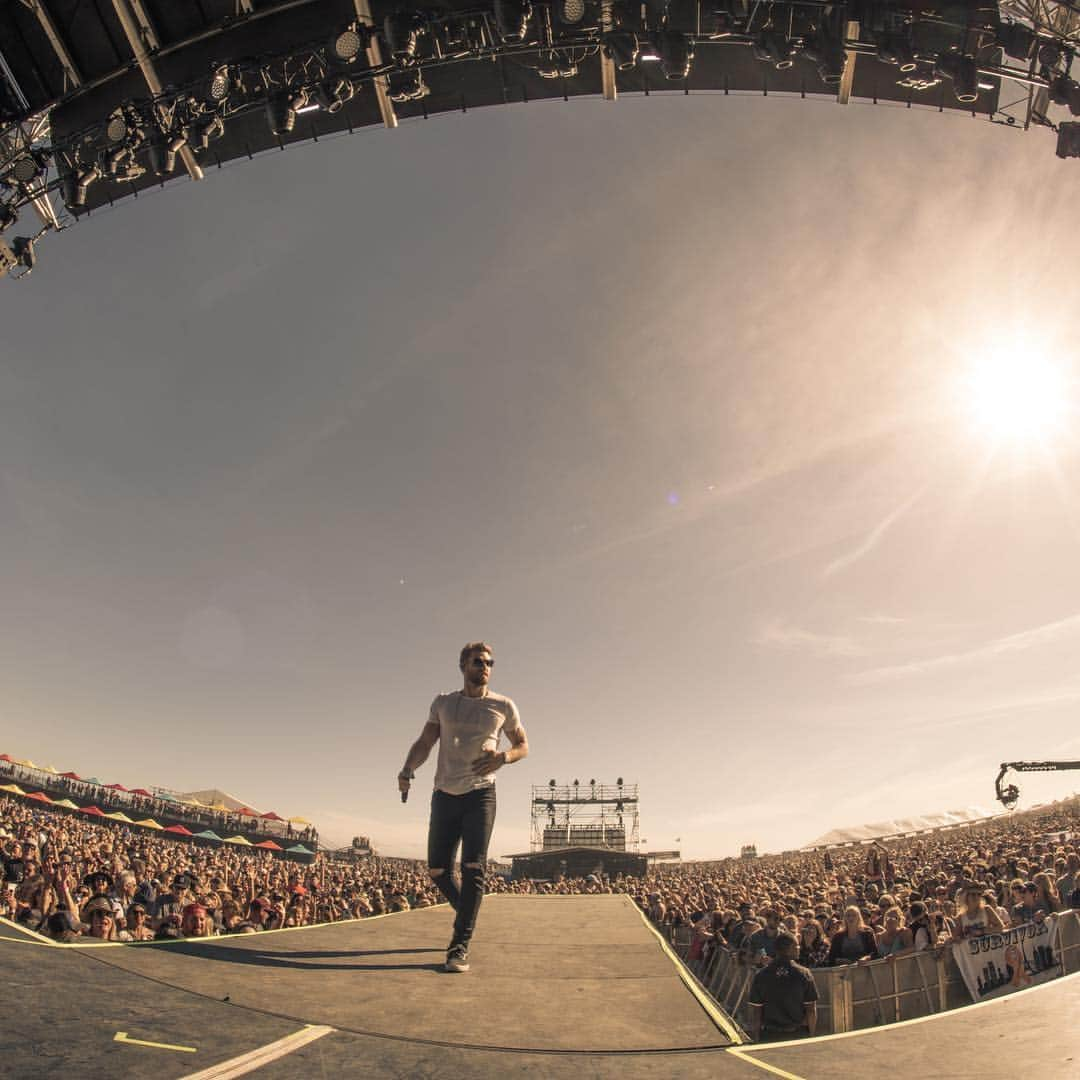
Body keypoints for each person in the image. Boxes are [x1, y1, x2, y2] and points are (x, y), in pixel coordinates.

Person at [398, 642, 529, 973]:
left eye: (490, 662)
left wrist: (503, 757)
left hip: (481, 794)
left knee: (473, 868)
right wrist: (407, 769)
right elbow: (426, 742)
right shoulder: (444, 703)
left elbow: (523, 745)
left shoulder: (503, 705)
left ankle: (459, 946)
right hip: (444, 793)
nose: (485, 667)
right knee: (437, 870)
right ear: (463, 666)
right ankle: (467, 913)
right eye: (478, 661)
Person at [747, 932, 818, 1041]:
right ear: (790, 949)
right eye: (797, 946)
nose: (799, 948)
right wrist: (812, 1036)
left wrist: (756, 1038)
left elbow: (756, 1012)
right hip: (797, 1035)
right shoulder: (804, 974)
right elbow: (811, 1010)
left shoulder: (761, 975)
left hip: (769, 1035)